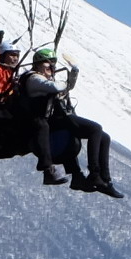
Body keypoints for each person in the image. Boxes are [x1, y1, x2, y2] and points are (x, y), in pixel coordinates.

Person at [16, 46, 120, 198]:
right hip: (52, 120)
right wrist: (61, 83)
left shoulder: (44, 79)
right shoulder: (34, 78)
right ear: (38, 64)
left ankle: (105, 179)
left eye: (53, 64)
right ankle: (94, 174)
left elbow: (65, 87)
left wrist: (74, 71)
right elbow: (55, 86)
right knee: (95, 129)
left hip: (58, 119)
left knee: (104, 137)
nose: (51, 67)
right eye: (48, 64)